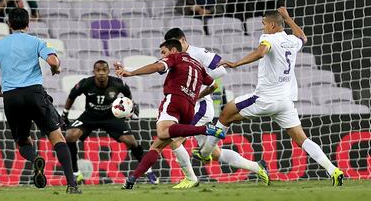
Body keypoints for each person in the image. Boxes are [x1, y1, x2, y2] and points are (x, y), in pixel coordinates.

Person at [194, 7, 344, 186]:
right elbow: (303, 37)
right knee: (302, 139)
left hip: (265, 99)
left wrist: (236, 63)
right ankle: (332, 169)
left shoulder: (268, 38)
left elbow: (261, 52)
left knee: (226, 112)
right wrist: (288, 18)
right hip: (285, 102)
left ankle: (204, 153)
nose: (262, 27)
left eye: (264, 24)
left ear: (272, 25)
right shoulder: (291, 40)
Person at [0, 8, 81, 193]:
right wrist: (55, 69)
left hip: (11, 97)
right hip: (34, 93)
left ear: (9, 24)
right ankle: (72, 185)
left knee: (23, 140)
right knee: (57, 137)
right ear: (28, 24)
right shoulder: (37, 41)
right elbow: (53, 61)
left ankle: (35, 159)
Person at [164, 28, 270, 189]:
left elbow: (221, 70)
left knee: (175, 139)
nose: (174, 48)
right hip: (190, 106)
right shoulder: (176, 58)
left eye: (177, 44)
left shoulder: (198, 53)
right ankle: (257, 166)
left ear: (184, 40)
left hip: (200, 107)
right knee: (214, 153)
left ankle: (190, 178)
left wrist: (198, 79)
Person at [115, 39, 225, 189]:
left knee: (162, 131)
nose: (162, 55)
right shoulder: (198, 65)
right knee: (157, 145)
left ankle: (205, 129)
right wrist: (196, 97)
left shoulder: (176, 57)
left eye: (163, 52)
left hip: (174, 100)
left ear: (173, 50)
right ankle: (131, 179)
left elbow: (158, 66)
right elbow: (214, 85)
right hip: (189, 107)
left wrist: (131, 73)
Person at [61, 60, 158, 185]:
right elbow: (72, 95)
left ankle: (148, 170)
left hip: (111, 117)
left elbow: (127, 93)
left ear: (108, 71)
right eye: (98, 70)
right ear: (94, 72)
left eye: (104, 70)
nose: (101, 73)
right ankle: (75, 173)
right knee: (70, 136)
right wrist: (65, 113)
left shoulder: (117, 83)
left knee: (131, 141)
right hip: (89, 116)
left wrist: (131, 105)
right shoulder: (86, 83)